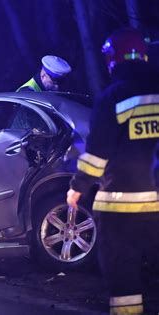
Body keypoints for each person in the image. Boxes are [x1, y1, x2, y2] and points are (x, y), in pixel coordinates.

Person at [67, 28, 159, 315]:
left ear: (113, 62)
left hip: (121, 209)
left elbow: (96, 156)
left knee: (124, 278)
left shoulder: (112, 98)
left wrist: (77, 187)